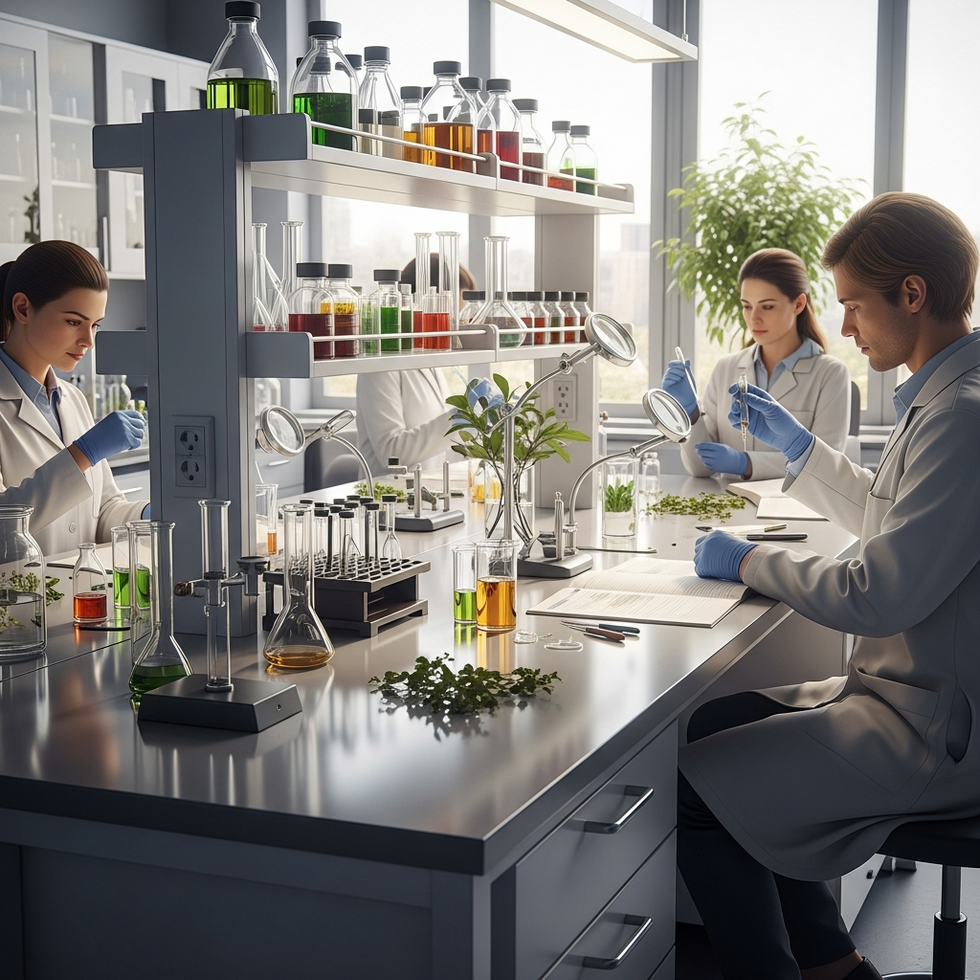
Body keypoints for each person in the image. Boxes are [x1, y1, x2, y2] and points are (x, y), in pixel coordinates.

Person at [680, 192, 980, 980]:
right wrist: (806, 453)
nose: (844, 327)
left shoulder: (962, 417)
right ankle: (835, 965)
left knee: (696, 788)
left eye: (852, 304)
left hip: (933, 732)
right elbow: (892, 519)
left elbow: (880, 591)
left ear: (911, 293)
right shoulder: (945, 397)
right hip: (913, 693)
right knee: (719, 720)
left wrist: (747, 563)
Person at [0, 241, 148, 555]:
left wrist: (150, 515)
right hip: (17, 599)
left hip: (81, 594)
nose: (88, 341)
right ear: (23, 308)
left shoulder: (73, 399)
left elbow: (104, 512)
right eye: (73, 322)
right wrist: (82, 453)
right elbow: (3, 526)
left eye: (95, 325)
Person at [662, 248, 851, 480]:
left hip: (793, 512)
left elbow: (826, 466)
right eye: (747, 306)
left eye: (767, 306)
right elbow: (701, 469)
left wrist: (746, 463)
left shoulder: (830, 374)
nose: (754, 319)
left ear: (798, 304)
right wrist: (689, 414)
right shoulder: (726, 368)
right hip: (728, 510)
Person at [355, 255, 476, 476]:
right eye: (453, 313)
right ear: (426, 302)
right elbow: (392, 453)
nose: (458, 323)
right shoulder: (380, 363)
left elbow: (436, 444)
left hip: (429, 495)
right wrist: (463, 417)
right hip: (388, 499)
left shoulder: (428, 357)